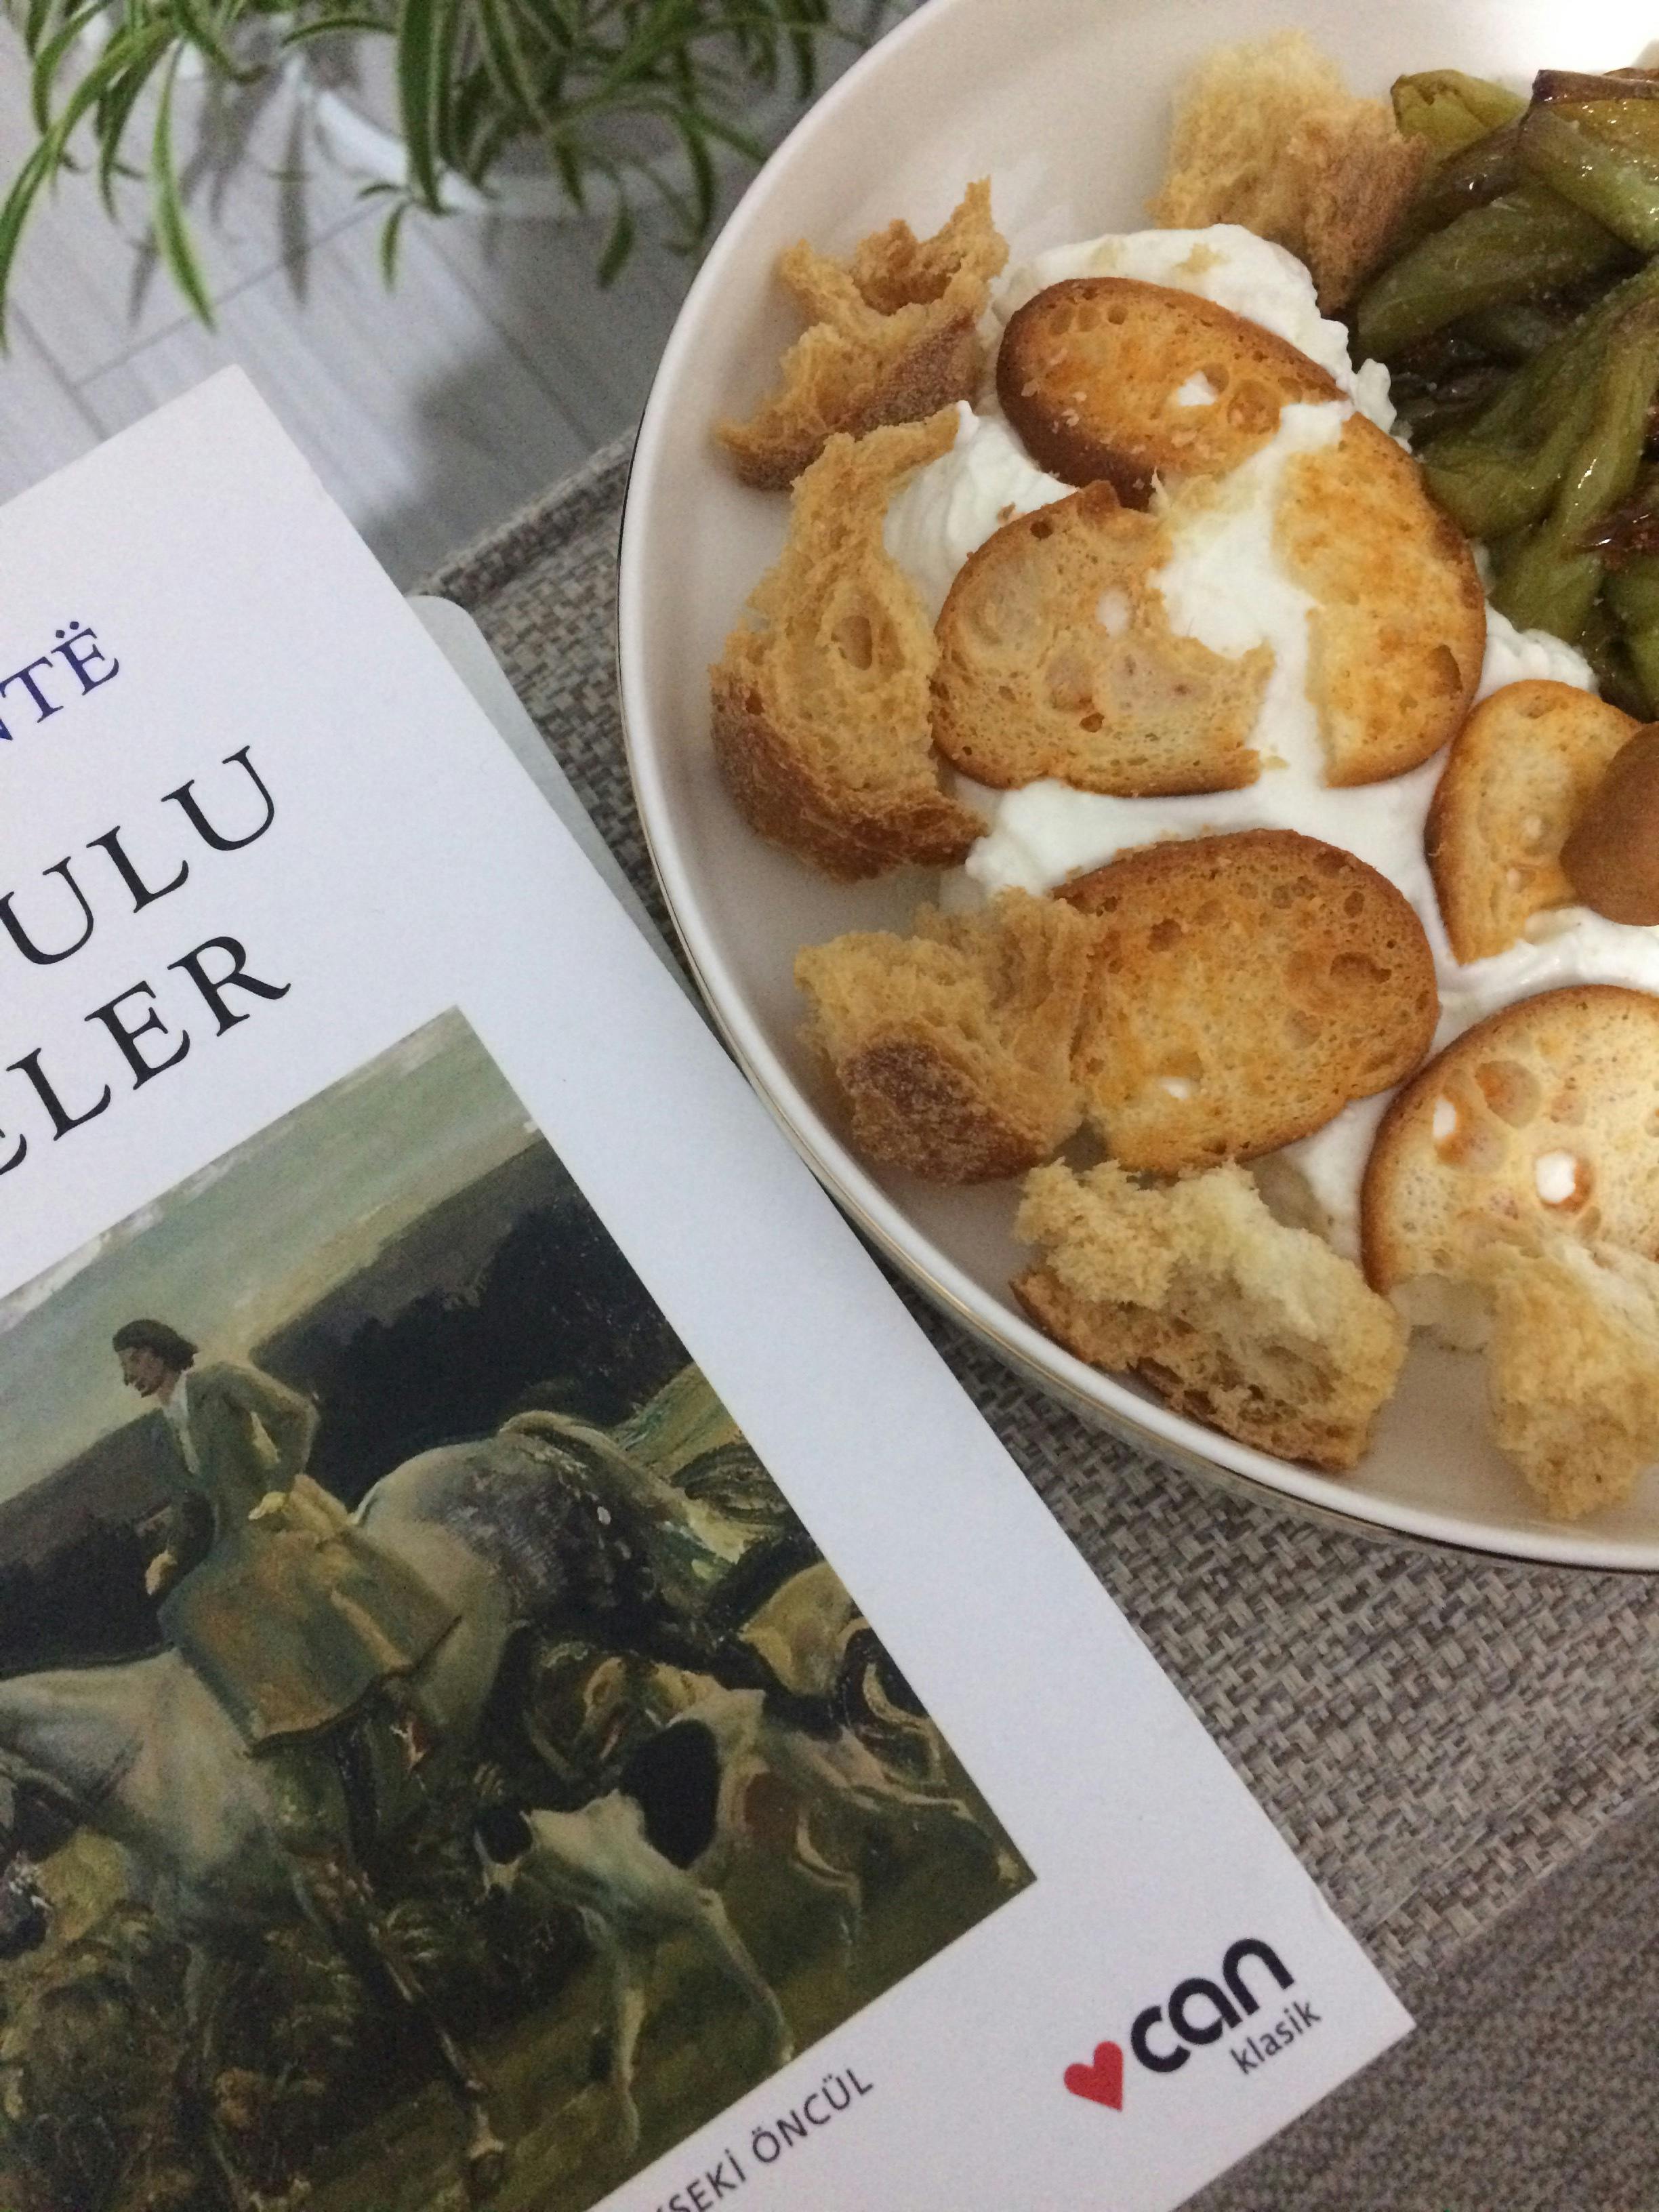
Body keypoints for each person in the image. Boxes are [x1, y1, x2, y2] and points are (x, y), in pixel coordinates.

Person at [115, 1319, 457, 1759]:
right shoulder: (161, 1435)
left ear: (161, 1351)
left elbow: (296, 1414)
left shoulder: (219, 1384)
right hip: (236, 1537)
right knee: (181, 1613)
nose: (131, 1375)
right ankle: (288, 1723)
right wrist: (172, 1555)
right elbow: (189, 1506)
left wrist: (279, 1486)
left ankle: (408, 1709)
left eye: (138, 1359)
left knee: (308, 1593)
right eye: (126, 1367)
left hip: (283, 1514)